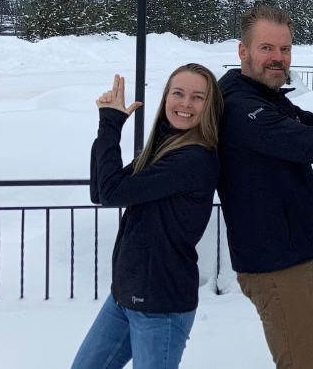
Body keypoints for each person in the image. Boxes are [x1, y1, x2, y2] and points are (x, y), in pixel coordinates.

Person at [216, 5, 313, 369]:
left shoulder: (270, 100)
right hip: (273, 266)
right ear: (243, 51)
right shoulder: (241, 108)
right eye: (267, 48)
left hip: (305, 254)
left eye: (285, 49)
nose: (278, 58)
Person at [72, 65, 222, 369]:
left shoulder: (193, 159)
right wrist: (107, 129)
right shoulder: (164, 149)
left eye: (197, 97)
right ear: (166, 97)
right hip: (126, 297)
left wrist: (111, 126)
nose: (184, 103)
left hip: (160, 305)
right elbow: (102, 192)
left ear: (210, 107)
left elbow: (113, 191)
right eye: (178, 93)